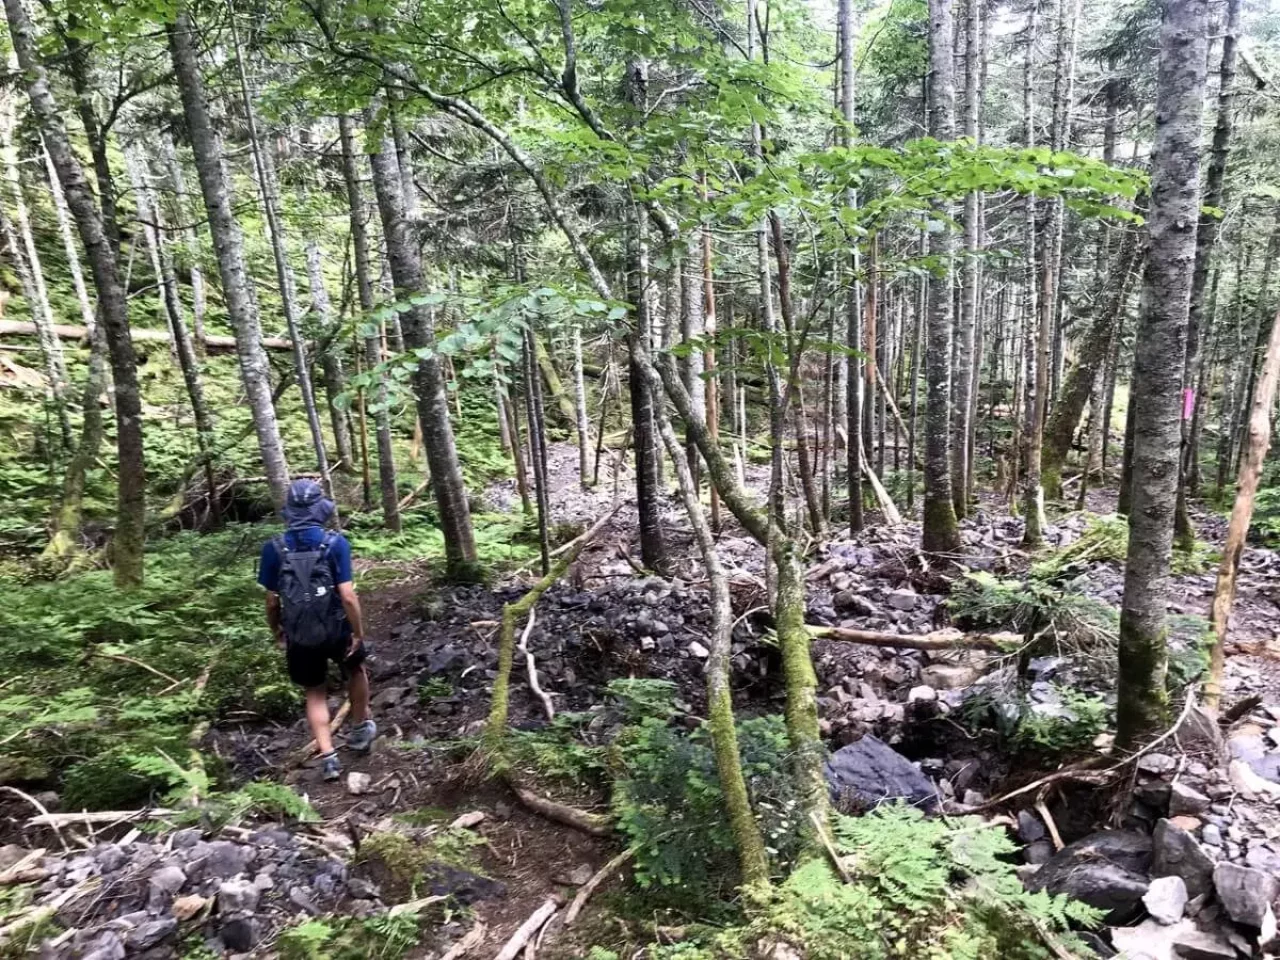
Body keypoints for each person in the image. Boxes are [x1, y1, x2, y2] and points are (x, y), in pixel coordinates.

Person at [259, 479, 376, 780]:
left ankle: (329, 757)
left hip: (299, 634)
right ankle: (361, 728)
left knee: (315, 692)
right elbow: (348, 596)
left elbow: (272, 601)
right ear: (319, 509)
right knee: (356, 670)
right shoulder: (335, 543)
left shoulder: (273, 549)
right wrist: (358, 633)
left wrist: (278, 631)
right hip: (337, 628)